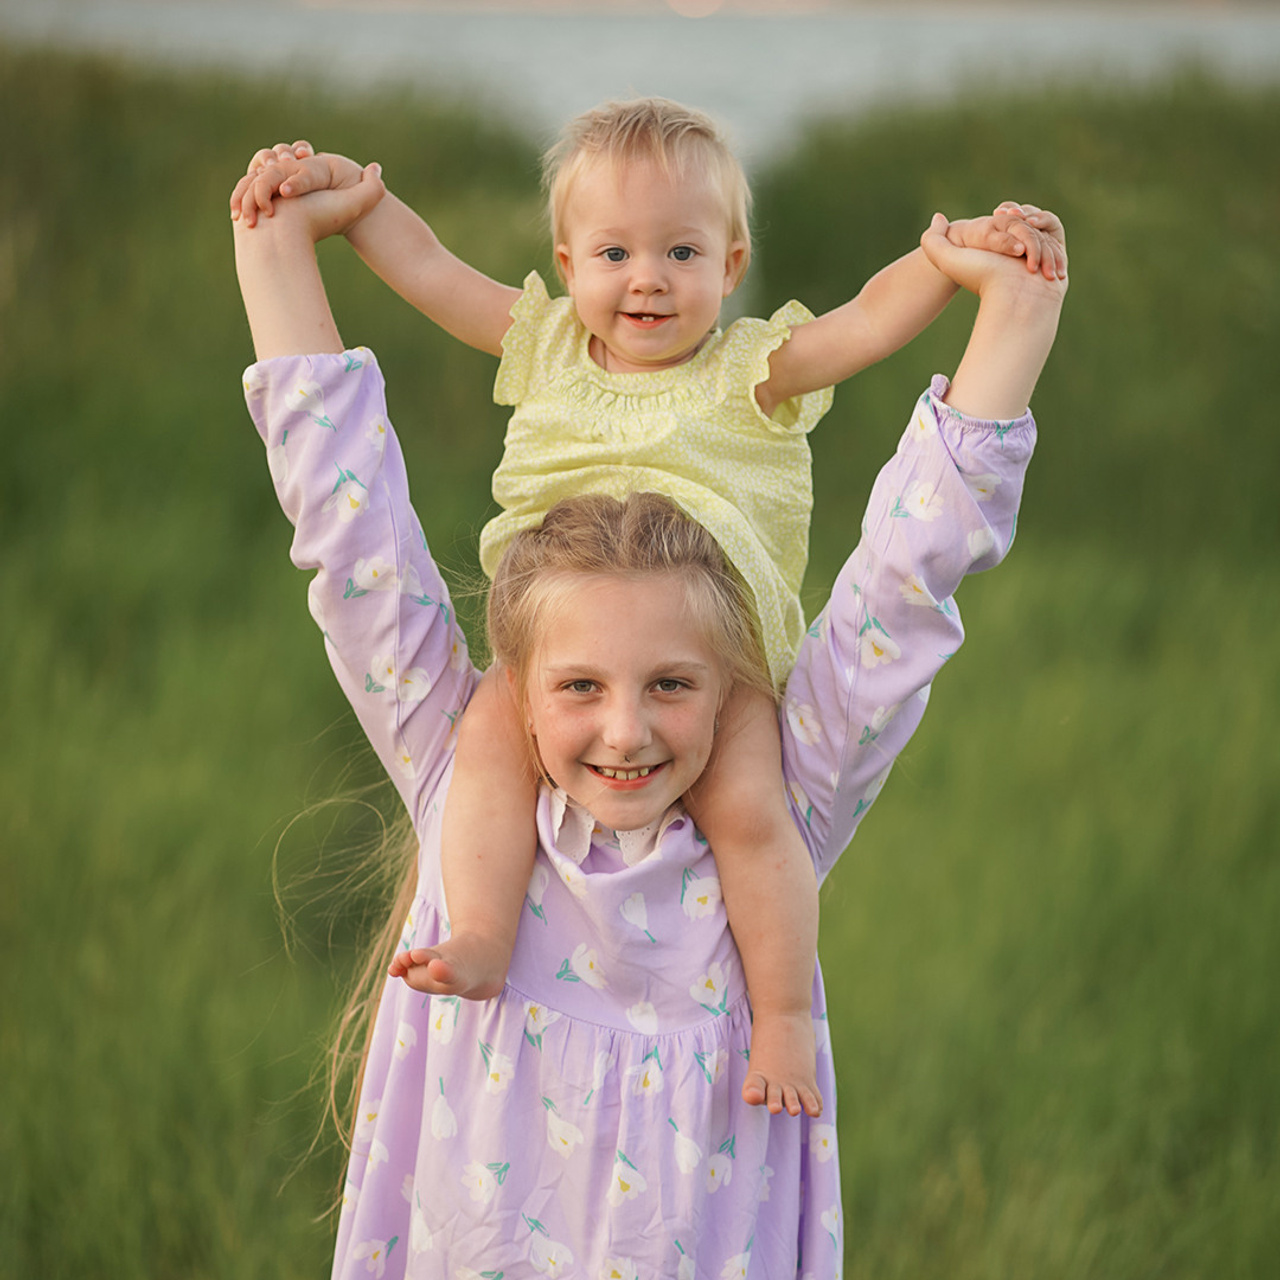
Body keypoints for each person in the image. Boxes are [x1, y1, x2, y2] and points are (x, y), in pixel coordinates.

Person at [233, 138, 1065, 1275]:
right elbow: (348, 522)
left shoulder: (778, 787)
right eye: (577, 686)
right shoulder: (468, 755)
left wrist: (1009, 310)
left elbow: (904, 579)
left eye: (672, 684)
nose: (623, 732)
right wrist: (279, 236)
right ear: (524, 682)